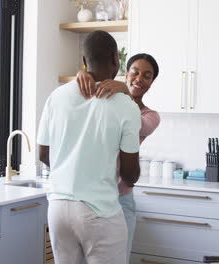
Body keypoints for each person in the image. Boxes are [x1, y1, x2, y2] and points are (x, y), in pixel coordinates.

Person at [37, 30, 141, 264]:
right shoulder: (126, 107)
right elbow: (130, 174)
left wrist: (73, 167)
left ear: (84, 62)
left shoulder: (56, 96)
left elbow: (43, 152)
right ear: (117, 59)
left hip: (58, 208)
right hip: (98, 211)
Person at [76, 53, 161, 263]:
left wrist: (126, 94)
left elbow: (133, 122)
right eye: (135, 72)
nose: (139, 79)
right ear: (126, 72)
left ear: (151, 83)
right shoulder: (106, 99)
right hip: (91, 196)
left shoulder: (150, 116)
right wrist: (82, 75)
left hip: (121, 199)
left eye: (147, 76)